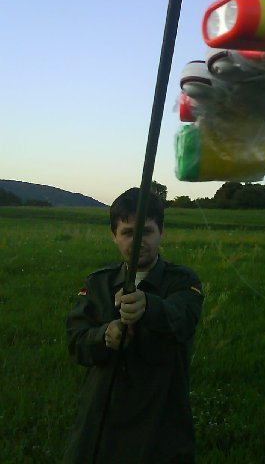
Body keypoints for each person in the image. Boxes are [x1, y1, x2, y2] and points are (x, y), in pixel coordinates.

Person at [63, 188, 204, 463]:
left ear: (162, 232)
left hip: (160, 425)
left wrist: (149, 306)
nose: (138, 241)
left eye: (147, 231)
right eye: (128, 233)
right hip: (100, 423)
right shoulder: (98, 283)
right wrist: (104, 336)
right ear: (114, 235)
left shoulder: (182, 281)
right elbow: (76, 341)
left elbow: (182, 318)